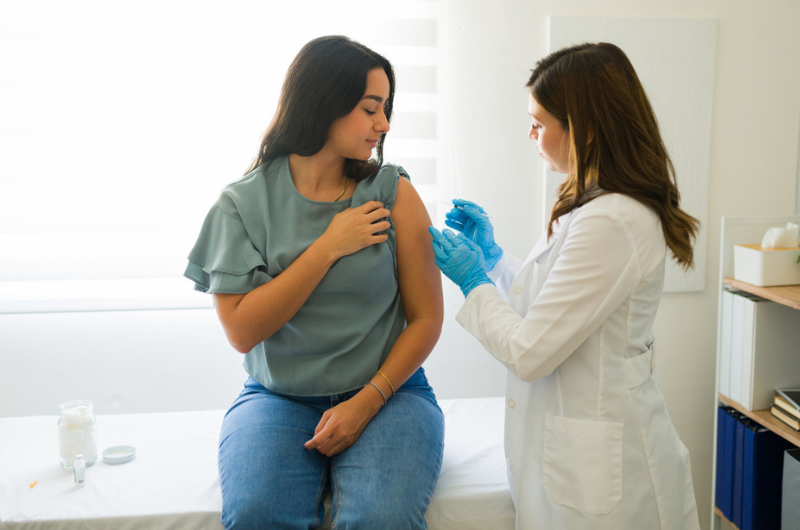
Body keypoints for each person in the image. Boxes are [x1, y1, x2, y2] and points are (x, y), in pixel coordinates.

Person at [429, 42, 701, 529]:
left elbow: (530, 352)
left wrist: (473, 281)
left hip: (606, 472)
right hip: (579, 450)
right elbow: (556, 304)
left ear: (587, 129)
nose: (530, 133)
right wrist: (494, 262)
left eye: (540, 122)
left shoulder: (614, 219)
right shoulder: (593, 204)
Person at [184, 35, 445, 530]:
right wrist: (327, 247)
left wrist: (366, 401)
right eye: (371, 108)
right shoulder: (241, 205)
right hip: (279, 397)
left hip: (390, 393)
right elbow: (241, 331)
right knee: (257, 516)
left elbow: (427, 317)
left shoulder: (392, 192)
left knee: (380, 519)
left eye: (386, 108)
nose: (384, 124)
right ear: (324, 103)